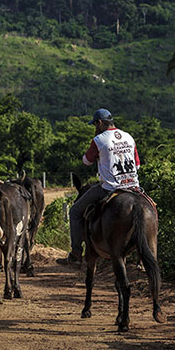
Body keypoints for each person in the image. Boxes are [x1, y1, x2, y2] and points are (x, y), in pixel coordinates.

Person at [57, 109, 141, 267]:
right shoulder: (128, 136)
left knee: (74, 212)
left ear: (100, 123)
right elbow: (137, 165)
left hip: (110, 187)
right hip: (133, 186)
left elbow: (87, 161)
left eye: (95, 125)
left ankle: (76, 253)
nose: (95, 128)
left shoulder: (99, 139)